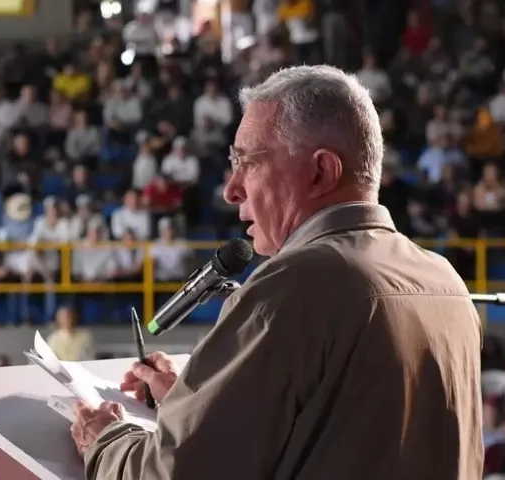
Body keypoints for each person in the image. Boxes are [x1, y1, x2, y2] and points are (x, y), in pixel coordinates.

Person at [70, 65, 483, 479]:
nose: (231, 189)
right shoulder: (445, 281)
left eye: (247, 162)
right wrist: (196, 402)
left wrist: (107, 440)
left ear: (321, 170)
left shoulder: (294, 284)